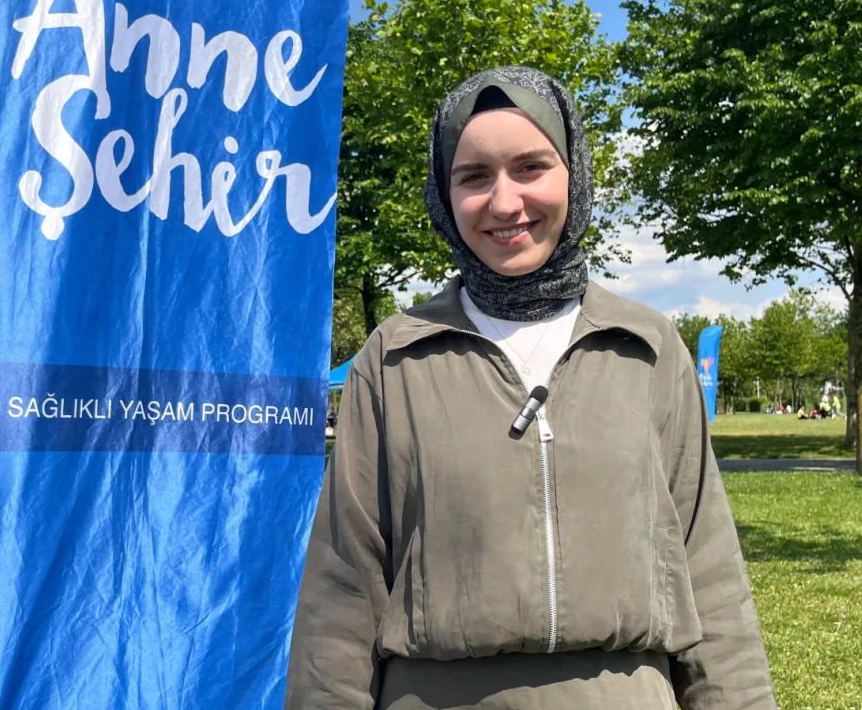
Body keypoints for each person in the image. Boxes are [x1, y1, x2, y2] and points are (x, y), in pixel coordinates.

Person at [286, 67, 775, 710]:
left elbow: (708, 570)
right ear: (443, 193)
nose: (505, 202)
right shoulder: (395, 357)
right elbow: (343, 591)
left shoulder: (647, 348)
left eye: (531, 167)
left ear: (574, 174)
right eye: (474, 176)